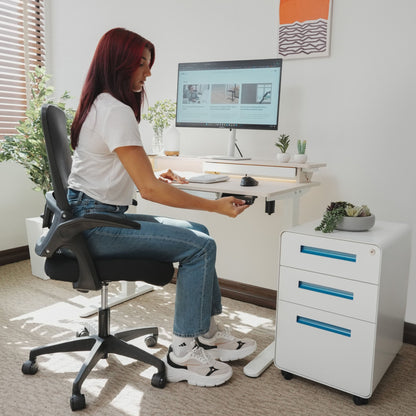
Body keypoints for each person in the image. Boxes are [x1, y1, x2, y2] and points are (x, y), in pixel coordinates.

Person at [68, 28, 256, 387]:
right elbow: (149, 190)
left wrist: (155, 174)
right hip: (94, 223)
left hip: (90, 214)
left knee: (197, 234)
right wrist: (215, 206)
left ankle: (205, 332)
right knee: (201, 245)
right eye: (141, 64)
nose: (148, 73)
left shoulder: (101, 104)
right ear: (118, 63)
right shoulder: (114, 110)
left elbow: (119, 170)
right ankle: (183, 352)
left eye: (148, 64)